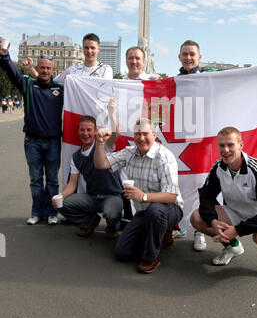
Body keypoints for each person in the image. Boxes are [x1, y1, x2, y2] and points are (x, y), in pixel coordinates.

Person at [190, 126, 257, 280]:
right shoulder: (218, 167)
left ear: (240, 145)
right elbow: (206, 197)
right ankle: (232, 247)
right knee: (197, 218)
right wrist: (213, 221)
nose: (225, 150)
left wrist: (238, 230)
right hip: (234, 213)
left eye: (230, 145)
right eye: (221, 145)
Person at [94, 118, 184, 273]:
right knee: (122, 253)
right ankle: (159, 233)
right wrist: (100, 142)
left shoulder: (164, 157)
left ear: (154, 135)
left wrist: (143, 196)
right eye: (137, 134)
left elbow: (171, 196)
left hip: (169, 209)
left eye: (145, 133)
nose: (141, 138)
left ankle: (152, 257)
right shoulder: (129, 152)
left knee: (156, 212)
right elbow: (100, 164)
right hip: (144, 212)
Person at [0, 44, 64, 225]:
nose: (45, 71)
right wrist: (5, 56)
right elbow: (13, 74)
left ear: (53, 69)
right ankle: (36, 211)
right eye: (42, 67)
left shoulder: (60, 89)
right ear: (38, 67)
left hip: (53, 142)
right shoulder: (28, 85)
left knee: (52, 181)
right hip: (32, 142)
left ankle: (52, 213)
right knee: (36, 180)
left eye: (48, 68)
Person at [52, 111, 126, 239]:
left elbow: (116, 134)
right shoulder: (76, 156)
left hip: (112, 196)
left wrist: (111, 112)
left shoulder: (103, 145)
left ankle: (112, 229)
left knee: (112, 213)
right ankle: (89, 221)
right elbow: (72, 184)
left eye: (89, 130)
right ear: (78, 131)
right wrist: (60, 196)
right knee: (61, 204)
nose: (85, 133)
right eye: (82, 130)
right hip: (92, 197)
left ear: (95, 131)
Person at [177, 40, 218, 250]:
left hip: (202, 141)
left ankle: (198, 230)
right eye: (185, 54)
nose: (188, 57)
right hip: (179, 140)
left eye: (192, 54)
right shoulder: (174, 82)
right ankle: (182, 223)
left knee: (201, 186)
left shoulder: (209, 79)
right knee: (182, 184)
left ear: (199, 57)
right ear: (179, 57)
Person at [23, 33, 113, 82]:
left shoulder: (105, 70)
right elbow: (51, 82)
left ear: (98, 49)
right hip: (75, 114)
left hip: (96, 115)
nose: (89, 51)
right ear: (82, 49)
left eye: (93, 48)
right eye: (86, 48)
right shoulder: (73, 70)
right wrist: (30, 69)